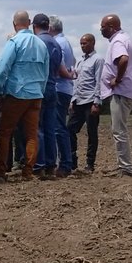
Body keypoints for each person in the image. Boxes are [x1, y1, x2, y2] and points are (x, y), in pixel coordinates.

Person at [0, 10, 48, 182]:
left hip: (17, 93)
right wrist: (40, 91)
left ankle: (1, 170)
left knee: (4, 131)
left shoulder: (14, 42)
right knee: (31, 134)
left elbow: (2, 69)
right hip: (36, 94)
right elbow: (45, 73)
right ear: (29, 22)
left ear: (14, 24)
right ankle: (28, 171)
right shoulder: (41, 44)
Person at [99, 14, 132, 177]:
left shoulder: (117, 41)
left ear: (111, 27)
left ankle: (125, 168)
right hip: (126, 91)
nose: (101, 30)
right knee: (119, 129)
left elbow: (123, 59)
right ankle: (123, 165)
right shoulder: (124, 38)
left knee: (118, 130)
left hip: (122, 92)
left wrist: (117, 79)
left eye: (102, 27)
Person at [31, 13, 66, 179]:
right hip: (53, 86)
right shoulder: (56, 43)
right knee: (50, 127)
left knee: (37, 127)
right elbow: (60, 68)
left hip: (40, 86)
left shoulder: (37, 42)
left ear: (34, 26)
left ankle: (39, 165)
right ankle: (52, 164)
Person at [68, 32, 103, 173]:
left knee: (91, 133)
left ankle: (90, 163)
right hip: (78, 101)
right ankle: (72, 161)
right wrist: (72, 100)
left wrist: (97, 102)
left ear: (92, 43)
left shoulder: (98, 60)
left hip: (90, 101)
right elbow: (76, 82)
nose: (83, 46)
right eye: (81, 43)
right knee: (69, 128)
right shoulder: (80, 61)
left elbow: (99, 81)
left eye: (85, 43)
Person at [48, 16, 76, 177]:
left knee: (58, 127)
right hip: (66, 89)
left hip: (59, 87)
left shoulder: (57, 44)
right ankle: (65, 161)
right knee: (59, 126)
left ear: (51, 28)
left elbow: (61, 69)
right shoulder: (65, 42)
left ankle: (65, 163)